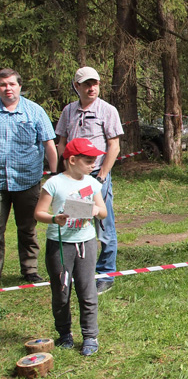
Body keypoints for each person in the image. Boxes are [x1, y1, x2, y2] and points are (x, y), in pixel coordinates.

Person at [34, 138, 108, 356]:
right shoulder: (54, 184)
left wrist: (96, 210)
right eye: (88, 160)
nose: (93, 164)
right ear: (72, 160)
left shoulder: (93, 183)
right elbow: (39, 213)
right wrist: (54, 219)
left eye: (95, 160)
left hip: (86, 243)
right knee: (61, 292)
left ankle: (90, 336)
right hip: (59, 245)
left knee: (87, 291)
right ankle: (64, 333)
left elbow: (103, 212)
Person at [56, 67, 123, 295]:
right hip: (74, 176)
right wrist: (64, 172)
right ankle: (79, 269)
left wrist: (102, 175)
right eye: (86, 84)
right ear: (77, 86)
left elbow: (114, 145)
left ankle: (105, 273)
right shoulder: (69, 111)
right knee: (75, 221)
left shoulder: (108, 110)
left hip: (96, 177)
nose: (91, 88)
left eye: (95, 83)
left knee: (103, 223)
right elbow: (62, 142)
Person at [0, 68, 58, 283]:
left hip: (27, 181)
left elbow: (49, 145)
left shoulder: (34, 111)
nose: (8, 88)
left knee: (27, 229)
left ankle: (30, 270)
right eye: (3, 84)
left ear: (19, 86)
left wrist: (54, 174)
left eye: (11, 84)